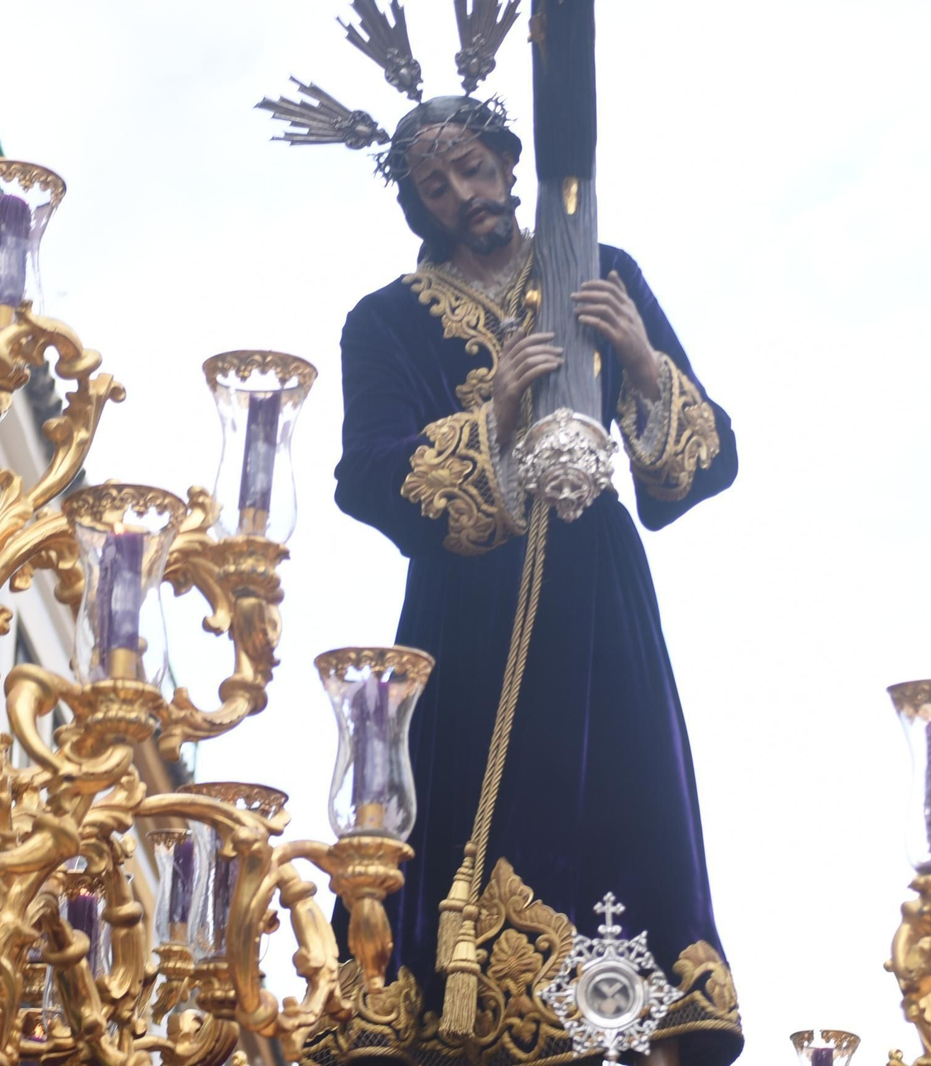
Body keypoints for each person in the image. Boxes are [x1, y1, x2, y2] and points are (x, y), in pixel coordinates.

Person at [328, 93, 741, 1066]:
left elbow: (704, 462)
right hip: (468, 613)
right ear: (418, 205)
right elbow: (367, 475)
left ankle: (631, 1018)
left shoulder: (597, 271)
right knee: (473, 796)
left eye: (472, 167)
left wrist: (638, 360)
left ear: (511, 164)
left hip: (598, 603)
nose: (461, 192)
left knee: (619, 795)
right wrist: (497, 412)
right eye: (436, 183)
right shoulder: (384, 320)